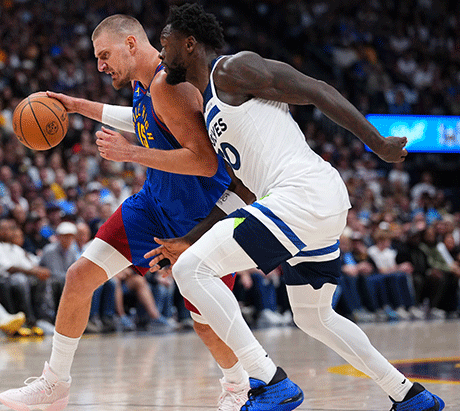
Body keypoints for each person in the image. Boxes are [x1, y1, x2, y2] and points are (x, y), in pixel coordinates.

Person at [147, 4, 444, 410]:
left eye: (164, 44)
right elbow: (242, 189)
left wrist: (377, 143)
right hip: (306, 204)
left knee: (192, 271)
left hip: (301, 194)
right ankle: (409, 395)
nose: (161, 55)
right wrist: (188, 239)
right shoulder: (212, 106)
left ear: (189, 43)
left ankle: (270, 382)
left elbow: (316, 89)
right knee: (313, 317)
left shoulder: (231, 69)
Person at [0, 14, 254, 411]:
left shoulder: (170, 86)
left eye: (104, 55)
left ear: (131, 44)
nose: (101, 65)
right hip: (153, 203)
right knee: (79, 276)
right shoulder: (142, 83)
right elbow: (139, 119)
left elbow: (205, 163)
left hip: (201, 217)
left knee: (206, 326)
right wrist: (77, 106)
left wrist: (131, 153)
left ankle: (239, 386)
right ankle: (54, 383)